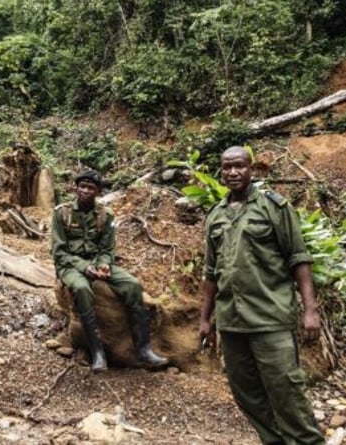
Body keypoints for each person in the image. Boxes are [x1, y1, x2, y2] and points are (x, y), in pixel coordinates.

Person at [198, 146, 324, 444]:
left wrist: (310, 309)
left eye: (239, 166)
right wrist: (205, 319)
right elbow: (211, 273)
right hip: (232, 322)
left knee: (286, 390)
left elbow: (298, 258)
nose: (233, 172)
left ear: (252, 169)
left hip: (270, 318)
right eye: (227, 167)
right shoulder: (215, 215)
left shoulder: (274, 208)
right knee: (246, 393)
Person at [50, 169, 169, 373]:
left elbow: (107, 249)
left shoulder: (106, 215)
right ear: (76, 188)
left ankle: (143, 349)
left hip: (97, 261)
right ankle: (97, 352)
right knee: (82, 288)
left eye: (90, 188)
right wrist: (85, 267)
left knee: (132, 285)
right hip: (70, 265)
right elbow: (58, 252)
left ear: (98, 191)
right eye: (82, 186)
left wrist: (103, 264)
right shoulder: (62, 213)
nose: (85, 191)